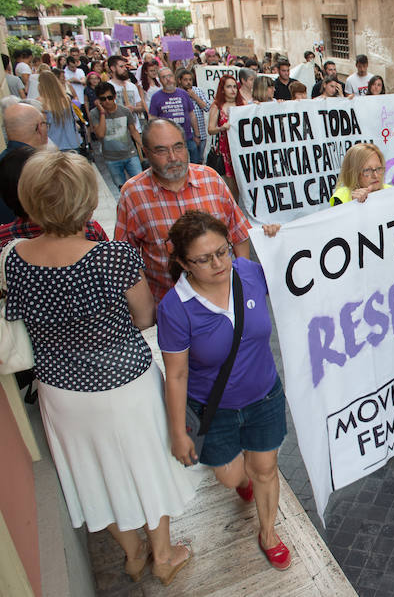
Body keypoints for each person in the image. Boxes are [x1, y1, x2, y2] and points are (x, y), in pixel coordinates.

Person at [5, 151, 195, 585]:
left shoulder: (13, 258)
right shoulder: (113, 257)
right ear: (87, 200)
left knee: (92, 471)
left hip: (61, 389)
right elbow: (145, 317)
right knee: (144, 464)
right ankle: (163, 554)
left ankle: (132, 554)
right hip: (126, 382)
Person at [158, 210, 289, 571]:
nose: (219, 263)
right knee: (231, 476)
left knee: (265, 467)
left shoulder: (247, 272)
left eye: (223, 251)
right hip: (214, 410)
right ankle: (242, 478)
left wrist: (277, 240)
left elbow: (298, 265)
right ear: (184, 262)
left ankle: (268, 533)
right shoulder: (175, 308)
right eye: (204, 258)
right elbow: (177, 374)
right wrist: (177, 432)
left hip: (264, 396)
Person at [116, 119, 251, 302]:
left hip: (224, 298)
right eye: (161, 150)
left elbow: (239, 234)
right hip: (170, 306)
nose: (173, 157)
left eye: (178, 147)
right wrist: (146, 305)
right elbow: (126, 259)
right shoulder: (132, 193)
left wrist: (241, 282)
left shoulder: (211, 179)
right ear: (145, 152)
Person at [90, 82, 144, 189]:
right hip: (111, 158)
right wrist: (102, 113)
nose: (107, 101)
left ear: (114, 96)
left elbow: (133, 131)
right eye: (103, 99)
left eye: (109, 98)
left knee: (139, 185)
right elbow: (100, 134)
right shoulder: (95, 113)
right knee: (122, 188)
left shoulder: (124, 111)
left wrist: (143, 146)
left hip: (130, 155)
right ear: (98, 100)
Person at [149, 67, 202, 164]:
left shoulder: (183, 94)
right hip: (167, 141)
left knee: (195, 164)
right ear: (160, 80)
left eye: (169, 76)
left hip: (188, 138)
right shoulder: (156, 97)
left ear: (174, 77)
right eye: (164, 77)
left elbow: (192, 115)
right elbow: (152, 120)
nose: (168, 79)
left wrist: (197, 135)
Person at [207, 74, 244, 201]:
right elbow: (210, 129)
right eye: (229, 87)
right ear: (222, 89)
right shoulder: (217, 106)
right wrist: (222, 128)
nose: (233, 90)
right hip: (226, 151)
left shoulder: (242, 104)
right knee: (232, 186)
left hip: (242, 149)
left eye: (235, 87)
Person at [37, 71, 82, 152]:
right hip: (72, 143)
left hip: (53, 146)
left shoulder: (40, 102)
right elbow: (74, 120)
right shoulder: (66, 99)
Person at [176, 68, 209, 158]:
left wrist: (194, 96)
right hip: (186, 135)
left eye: (190, 80)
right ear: (180, 80)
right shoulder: (176, 93)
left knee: (200, 160)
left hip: (201, 133)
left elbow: (207, 107)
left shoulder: (197, 91)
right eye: (185, 80)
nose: (188, 82)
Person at [107, 55, 145, 132]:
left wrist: (133, 109)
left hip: (136, 129)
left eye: (125, 66)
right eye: (121, 67)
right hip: (118, 131)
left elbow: (141, 107)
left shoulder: (132, 86)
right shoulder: (108, 87)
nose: (125, 69)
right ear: (113, 68)